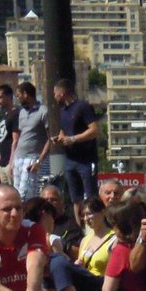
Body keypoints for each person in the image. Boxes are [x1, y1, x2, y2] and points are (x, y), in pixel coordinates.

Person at [51, 77, 100, 209]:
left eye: (55, 93)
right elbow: (64, 131)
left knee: (90, 197)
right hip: (70, 159)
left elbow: (95, 130)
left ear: (62, 93)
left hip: (86, 160)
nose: (54, 96)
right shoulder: (63, 111)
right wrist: (59, 138)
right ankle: (79, 227)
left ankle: (92, 226)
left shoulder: (83, 107)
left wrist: (73, 139)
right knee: (75, 199)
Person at [8, 81, 51, 200]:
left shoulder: (43, 111)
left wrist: (39, 161)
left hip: (31, 158)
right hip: (18, 158)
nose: (17, 98)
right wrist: (12, 162)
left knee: (25, 195)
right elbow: (21, 135)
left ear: (25, 94)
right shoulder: (22, 112)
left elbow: (50, 138)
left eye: (18, 95)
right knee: (16, 195)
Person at [0, 83, 18, 173]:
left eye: (0, 97)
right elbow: (3, 137)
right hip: (2, 161)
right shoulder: (4, 115)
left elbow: (16, 140)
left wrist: (11, 162)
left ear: (9, 97)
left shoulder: (16, 114)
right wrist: (0, 157)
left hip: (10, 162)